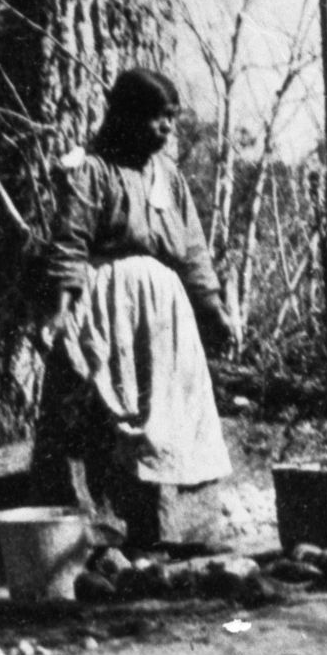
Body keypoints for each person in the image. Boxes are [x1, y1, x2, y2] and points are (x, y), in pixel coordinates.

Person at [30, 68, 237, 547]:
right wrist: (60, 310)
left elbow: (193, 252)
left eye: (172, 120)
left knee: (173, 416)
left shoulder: (170, 179)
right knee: (105, 410)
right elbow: (70, 243)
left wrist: (213, 308)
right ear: (126, 117)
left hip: (165, 316)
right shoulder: (92, 170)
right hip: (107, 308)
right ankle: (102, 536)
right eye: (157, 118)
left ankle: (178, 530)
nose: (166, 129)